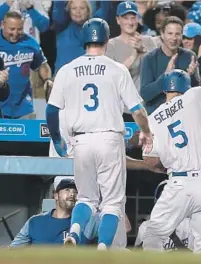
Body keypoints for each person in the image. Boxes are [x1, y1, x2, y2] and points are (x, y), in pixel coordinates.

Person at [46, 18, 153, 251]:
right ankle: (103, 246)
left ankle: (74, 233)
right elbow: (137, 110)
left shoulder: (67, 69)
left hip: (81, 140)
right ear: (106, 39)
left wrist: (57, 140)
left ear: (84, 40)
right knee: (113, 203)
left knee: (86, 199)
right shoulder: (117, 69)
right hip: (109, 139)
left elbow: (51, 110)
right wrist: (146, 132)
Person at [141, 69, 201, 253]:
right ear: (186, 86)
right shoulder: (194, 96)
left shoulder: (152, 119)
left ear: (164, 90)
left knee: (153, 235)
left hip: (179, 183)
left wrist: (167, 166)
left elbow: (150, 161)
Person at [0, 11, 53, 119]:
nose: (16, 33)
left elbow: (42, 65)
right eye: (12, 29)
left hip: (24, 108)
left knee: (28, 135)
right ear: (2, 25)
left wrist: (48, 79)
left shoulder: (31, 43)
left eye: (19, 29)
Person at [140, 16, 200, 115]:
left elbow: (196, 92)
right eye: (170, 33)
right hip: (156, 116)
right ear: (162, 35)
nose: (174, 38)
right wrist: (165, 77)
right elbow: (145, 94)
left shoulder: (190, 56)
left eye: (177, 34)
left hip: (183, 115)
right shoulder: (149, 58)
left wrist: (191, 76)